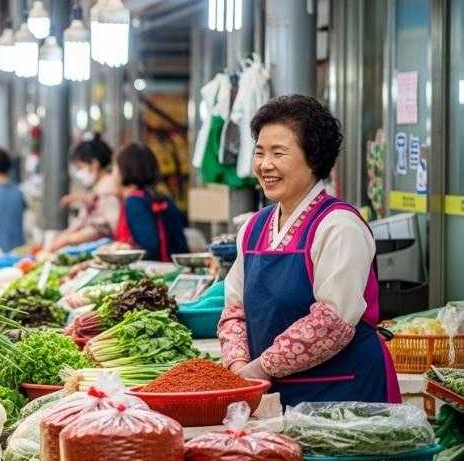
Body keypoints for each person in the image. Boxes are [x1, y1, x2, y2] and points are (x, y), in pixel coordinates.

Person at [218, 94, 400, 406]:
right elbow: (235, 311)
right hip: (272, 395)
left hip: (345, 399)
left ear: (313, 158)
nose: (265, 164)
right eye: (259, 152)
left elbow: (332, 321)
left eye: (279, 153)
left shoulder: (339, 226)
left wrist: (261, 367)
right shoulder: (252, 229)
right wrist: (239, 369)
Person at [113, 143, 189, 262]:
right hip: (178, 266)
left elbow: (150, 245)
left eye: (115, 167)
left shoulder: (134, 202)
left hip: (156, 271)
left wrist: (120, 251)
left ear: (123, 171)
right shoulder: (164, 198)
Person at [51, 135, 119, 251]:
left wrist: (68, 239)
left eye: (80, 167)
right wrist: (66, 235)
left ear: (94, 164)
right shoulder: (99, 187)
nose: (79, 173)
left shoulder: (108, 188)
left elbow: (104, 228)